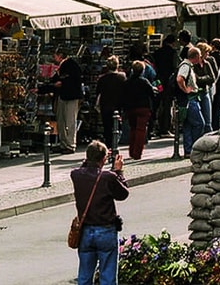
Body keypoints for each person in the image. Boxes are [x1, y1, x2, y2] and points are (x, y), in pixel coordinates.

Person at [70, 140, 129, 285]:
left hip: (85, 231)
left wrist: (93, 158)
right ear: (104, 159)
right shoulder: (108, 177)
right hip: (106, 230)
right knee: (107, 276)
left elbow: (83, 168)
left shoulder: (76, 175)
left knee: (84, 276)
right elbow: (123, 194)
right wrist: (119, 171)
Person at [51, 49, 84, 153]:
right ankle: (63, 143)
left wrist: (61, 82)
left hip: (71, 97)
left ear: (60, 55)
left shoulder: (71, 65)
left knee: (70, 121)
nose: (53, 58)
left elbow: (72, 80)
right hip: (63, 96)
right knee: (61, 120)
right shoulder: (63, 65)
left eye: (55, 56)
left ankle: (70, 145)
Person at [122, 61, 156, 160]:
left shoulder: (127, 82)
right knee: (141, 130)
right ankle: (137, 153)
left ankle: (131, 151)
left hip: (131, 108)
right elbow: (152, 94)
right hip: (143, 108)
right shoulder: (144, 81)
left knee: (133, 129)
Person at [176, 47, 205, 156]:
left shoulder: (186, 65)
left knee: (188, 125)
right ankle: (195, 147)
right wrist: (186, 89)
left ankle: (189, 150)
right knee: (199, 123)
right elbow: (180, 79)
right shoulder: (186, 66)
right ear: (197, 56)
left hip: (186, 101)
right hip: (190, 100)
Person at [94, 56, 126, 153]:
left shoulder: (102, 79)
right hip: (117, 106)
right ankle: (115, 145)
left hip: (105, 106)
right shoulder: (122, 77)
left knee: (107, 128)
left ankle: (108, 147)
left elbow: (97, 92)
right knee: (117, 127)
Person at [151, 34, 179, 136]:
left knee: (158, 103)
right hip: (168, 82)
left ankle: (155, 126)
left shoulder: (157, 52)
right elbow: (175, 67)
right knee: (167, 104)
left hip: (159, 81)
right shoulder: (173, 53)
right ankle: (165, 127)